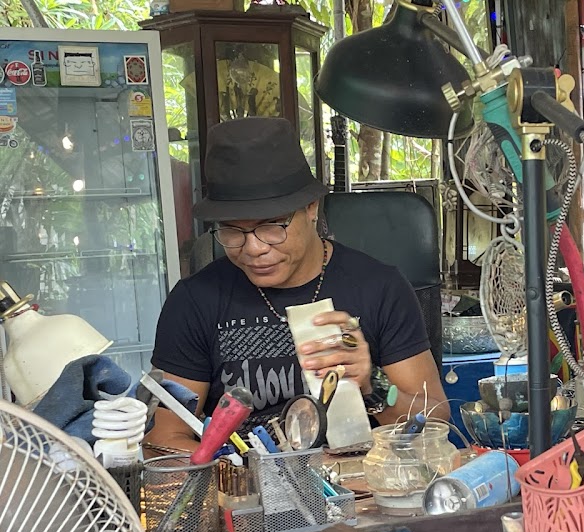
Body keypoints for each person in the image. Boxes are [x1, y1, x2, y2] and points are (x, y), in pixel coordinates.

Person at [146, 117, 446, 453]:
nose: (254, 248)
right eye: (232, 230)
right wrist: (244, 478)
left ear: (311, 208)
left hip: (359, 486)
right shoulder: (195, 301)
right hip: (245, 490)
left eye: (272, 226)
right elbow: (164, 439)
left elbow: (435, 422)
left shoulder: (380, 287)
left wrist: (371, 385)